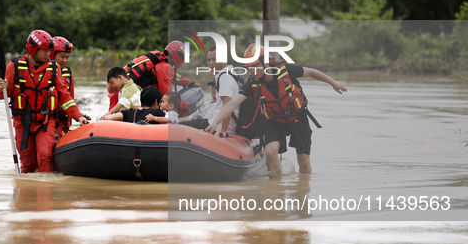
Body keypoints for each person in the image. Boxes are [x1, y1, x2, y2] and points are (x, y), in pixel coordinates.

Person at [205, 43, 347, 175]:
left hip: (297, 117)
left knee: (303, 161)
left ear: (265, 63)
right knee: (271, 152)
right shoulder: (252, 82)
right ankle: (276, 189)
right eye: (250, 67)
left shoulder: (285, 70)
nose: (252, 71)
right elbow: (231, 104)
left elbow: (310, 72)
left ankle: (303, 191)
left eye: (255, 66)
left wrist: (333, 82)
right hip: (274, 120)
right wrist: (215, 122)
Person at [0, 30, 89, 173]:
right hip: (23, 123)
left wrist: (79, 116)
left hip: (46, 122)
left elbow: (64, 96)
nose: (48, 54)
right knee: (27, 163)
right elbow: (2, 96)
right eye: (45, 50)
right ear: (33, 49)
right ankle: (27, 193)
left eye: (49, 51)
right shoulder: (14, 66)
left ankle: (45, 192)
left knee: (45, 157)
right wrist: (1, 87)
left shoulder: (54, 68)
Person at [124, 41, 200, 96]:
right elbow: (167, 99)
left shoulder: (157, 57)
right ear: (179, 59)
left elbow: (173, 76)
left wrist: (190, 83)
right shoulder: (166, 68)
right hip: (126, 94)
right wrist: (183, 106)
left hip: (120, 87)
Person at [207, 47, 242, 135]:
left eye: (214, 59)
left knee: (182, 125)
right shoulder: (231, 73)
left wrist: (223, 132)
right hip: (220, 123)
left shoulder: (224, 78)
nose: (211, 63)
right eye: (208, 60)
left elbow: (228, 107)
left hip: (220, 127)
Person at [49, 36, 78, 140]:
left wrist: (70, 119)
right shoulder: (45, 71)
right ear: (52, 54)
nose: (65, 60)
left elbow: (70, 95)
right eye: (62, 56)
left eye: (67, 57)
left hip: (63, 119)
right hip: (48, 118)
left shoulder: (67, 72)